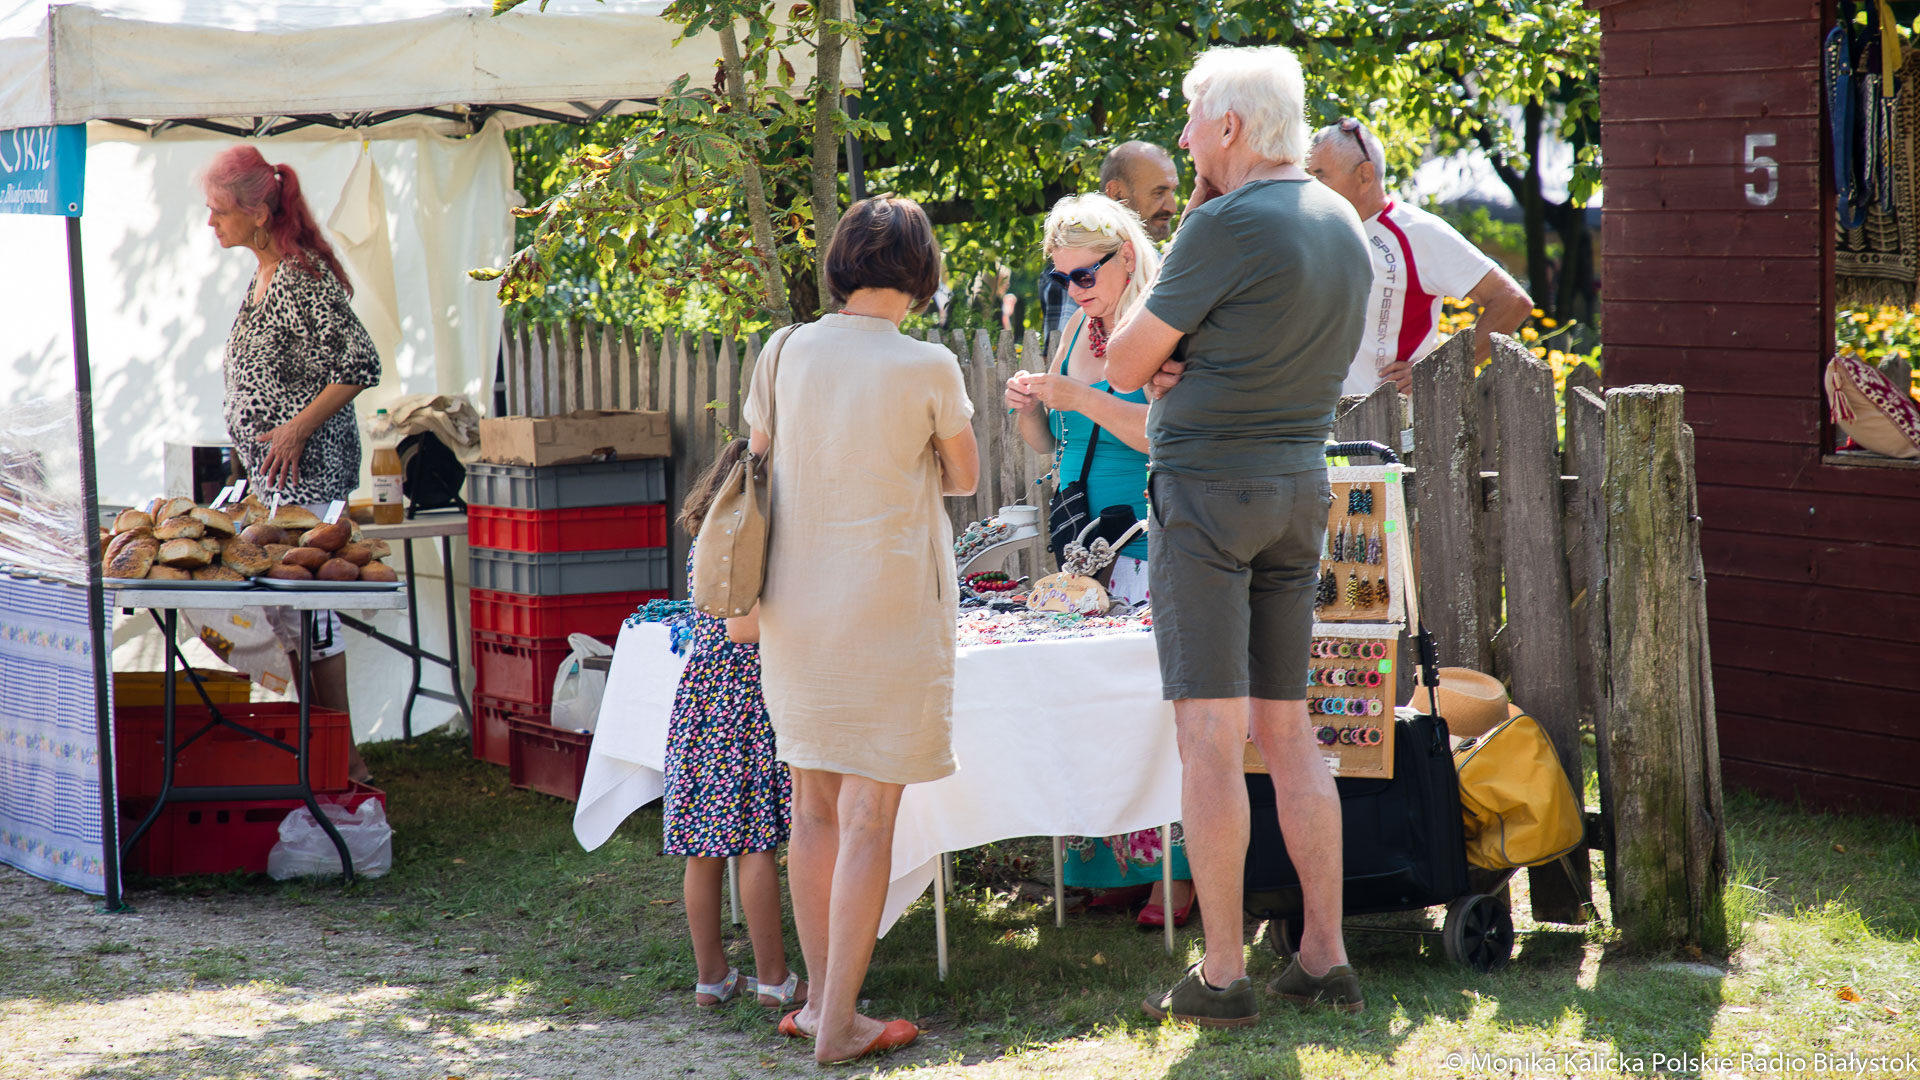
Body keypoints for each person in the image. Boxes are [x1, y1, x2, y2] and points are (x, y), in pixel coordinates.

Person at [1104, 44, 1372, 1024]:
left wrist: (1163, 348)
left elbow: (1124, 362)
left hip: (1209, 496)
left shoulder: (1221, 223)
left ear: (1229, 125)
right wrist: (1182, 352)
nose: (1183, 140)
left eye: (1191, 120)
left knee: (1209, 741)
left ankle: (1222, 974)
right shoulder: (1343, 222)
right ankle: (1324, 954)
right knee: (1290, 732)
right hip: (1301, 487)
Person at [744, 197, 980, 1065]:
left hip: (795, 603)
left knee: (811, 807)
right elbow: (964, 477)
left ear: (841, 264)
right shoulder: (928, 364)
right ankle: (840, 1023)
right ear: (922, 272)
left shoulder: (785, 349)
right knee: (869, 817)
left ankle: (819, 1005)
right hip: (890, 603)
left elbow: (760, 457)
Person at [1004, 193, 1195, 926]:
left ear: (1126, 257)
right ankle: (1113, 866)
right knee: (1095, 708)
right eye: (1062, 277)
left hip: (1144, 539)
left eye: (1085, 275)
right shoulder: (1074, 330)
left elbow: (1162, 432)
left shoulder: (1157, 326)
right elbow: (1048, 446)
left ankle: (1175, 876)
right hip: (1080, 547)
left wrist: (1076, 397)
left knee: (1152, 711)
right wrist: (1031, 408)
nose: (1074, 289)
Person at [204, 144, 379, 783]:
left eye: (219, 210)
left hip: (311, 475)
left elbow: (360, 363)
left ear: (257, 213)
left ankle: (346, 764)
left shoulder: (301, 277)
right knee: (291, 620)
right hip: (274, 480)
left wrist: (296, 429)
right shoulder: (262, 277)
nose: (210, 222)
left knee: (312, 617)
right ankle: (322, 753)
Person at [665, 439, 805, 1012]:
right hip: (741, 699)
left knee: (704, 849)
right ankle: (774, 980)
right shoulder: (749, 532)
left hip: (703, 696)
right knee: (755, 845)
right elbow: (744, 629)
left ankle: (713, 979)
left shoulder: (713, 528)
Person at [1304, 116, 1532, 395]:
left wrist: (1440, 369)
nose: (1309, 187)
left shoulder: (1417, 231)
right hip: (1317, 419)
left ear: (1365, 175)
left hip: (1391, 419)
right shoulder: (1310, 229)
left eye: (1320, 176)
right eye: (1307, 176)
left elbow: (1512, 301)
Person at [1040, 141, 1182, 360]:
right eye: (1158, 193)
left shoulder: (1170, 299)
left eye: (1083, 277)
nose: (1172, 207)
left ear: (1128, 257)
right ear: (1116, 192)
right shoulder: (1075, 261)